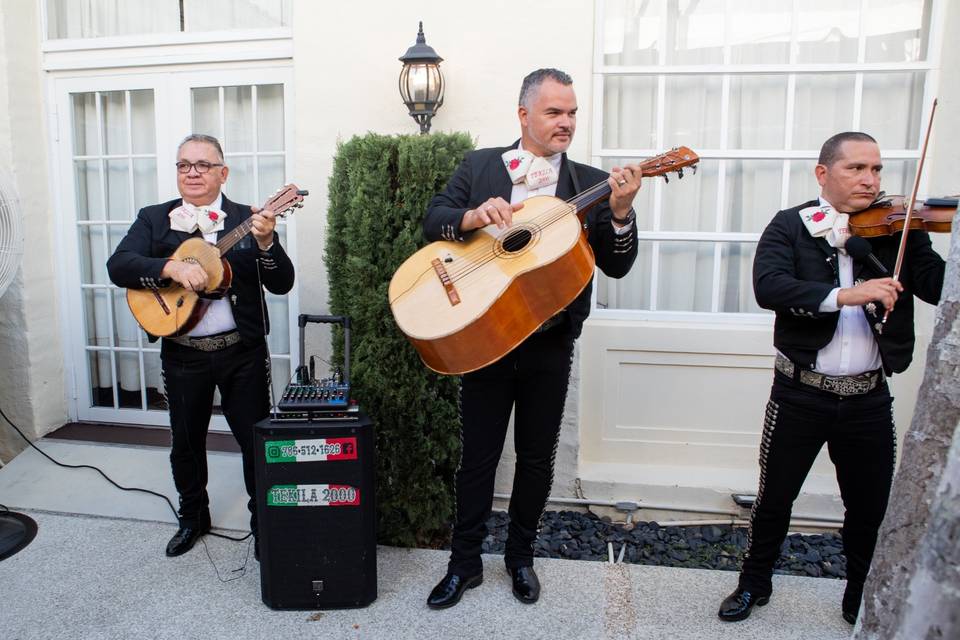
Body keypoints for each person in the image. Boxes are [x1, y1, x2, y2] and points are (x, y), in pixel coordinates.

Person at [423, 68, 642, 609]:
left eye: (571, 112)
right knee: (477, 456)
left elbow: (616, 266)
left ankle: (521, 558)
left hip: (549, 341)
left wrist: (618, 214)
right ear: (524, 115)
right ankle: (464, 564)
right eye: (554, 112)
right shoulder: (480, 166)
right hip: (486, 336)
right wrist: (474, 215)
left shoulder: (590, 183)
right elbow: (434, 218)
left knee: (537, 457)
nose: (566, 121)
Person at [717, 132, 945, 624]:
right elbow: (769, 285)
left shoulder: (898, 229)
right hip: (800, 392)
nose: (870, 180)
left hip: (867, 398)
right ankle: (753, 584)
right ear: (824, 174)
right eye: (857, 168)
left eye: (877, 170)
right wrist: (846, 295)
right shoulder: (790, 226)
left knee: (869, 508)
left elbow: (938, 285)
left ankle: (859, 593)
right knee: (775, 497)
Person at [107, 134, 294, 557]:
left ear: (222, 173)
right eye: (184, 165)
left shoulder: (248, 219)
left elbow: (282, 283)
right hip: (183, 354)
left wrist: (266, 243)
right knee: (186, 442)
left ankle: (264, 525)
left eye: (203, 165)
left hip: (241, 353)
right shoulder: (154, 219)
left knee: (254, 441)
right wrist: (170, 265)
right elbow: (119, 265)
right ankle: (193, 517)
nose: (192, 172)